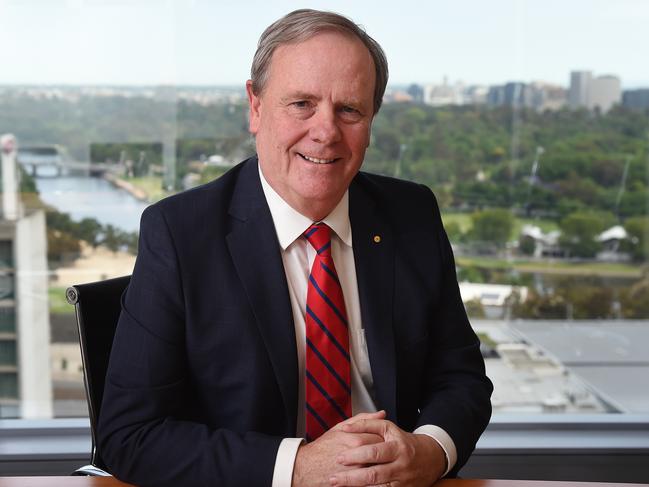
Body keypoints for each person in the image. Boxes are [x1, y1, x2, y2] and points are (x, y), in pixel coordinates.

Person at [97, 9, 492, 487]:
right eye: (302, 103)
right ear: (256, 107)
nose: (326, 132)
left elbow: (462, 378)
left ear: (371, 119)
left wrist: (429, 451)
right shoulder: (179, 234)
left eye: (349, 109)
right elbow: (129, 435)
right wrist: (297, 467)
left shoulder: (411, 214)